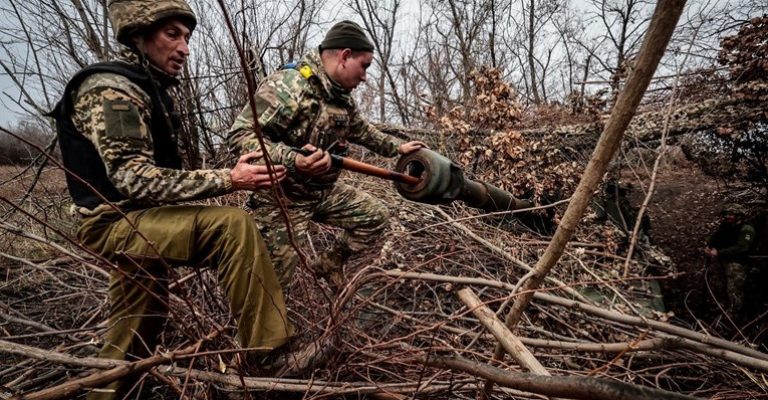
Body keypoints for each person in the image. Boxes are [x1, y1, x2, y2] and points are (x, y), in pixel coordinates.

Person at [48, 1, 292, 398]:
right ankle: (270, 355)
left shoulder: (144, 85)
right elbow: (133, 179)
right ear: (139, 35)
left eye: (188, 37)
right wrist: (229, 178)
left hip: (138, 219)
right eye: (172, 35)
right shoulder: (113, 89)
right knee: (231, 225)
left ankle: (105, 392)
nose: (185, 48)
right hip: (115, 221)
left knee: (134, 330)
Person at [228, 20, 425, 288]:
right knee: (272, 289)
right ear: (345, 56)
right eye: (364, 66)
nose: (365, 76)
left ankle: (330, 262)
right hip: (283, 200)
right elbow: (240, 136)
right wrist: (294, 159)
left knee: (375, 216)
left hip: (321, 193)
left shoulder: (341, 96)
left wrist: (396, 148)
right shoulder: (289, 86)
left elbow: (362, 130)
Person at [705, 203, 755, 314]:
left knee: (734, 290)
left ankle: (734, 315)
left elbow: (742, 247)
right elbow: (714, 238)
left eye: (731, 214)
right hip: (722, 261)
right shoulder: (725, 226)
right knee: (717, 286)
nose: (727, 216)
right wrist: (708, 247)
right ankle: (719, 311)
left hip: (737, 263)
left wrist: (719, 252)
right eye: (726, 214)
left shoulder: (747, 229)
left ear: (739, 215)